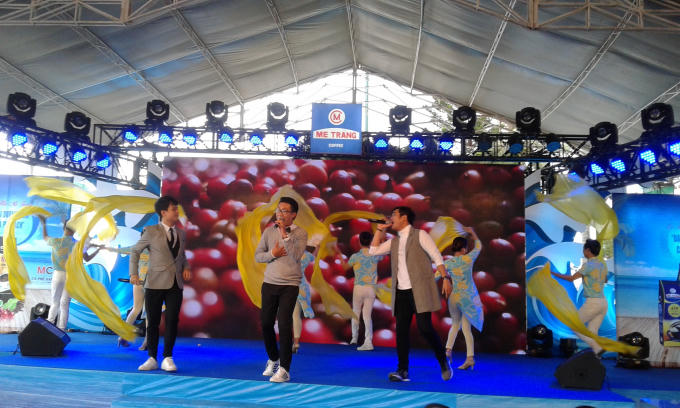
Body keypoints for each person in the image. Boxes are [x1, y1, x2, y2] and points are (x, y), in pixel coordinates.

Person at [369, 206, 453, 382]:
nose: (391, 218)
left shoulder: (420, 235)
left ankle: (443, 361)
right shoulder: (394, 241)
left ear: (404, 218)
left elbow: (436, 255)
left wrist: (445, 277)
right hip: (401, 292)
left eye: (394, 214)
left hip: (419, 289)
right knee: (401, 331)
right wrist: (379, 230)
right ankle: (403, 371)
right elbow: (373, 251)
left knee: (425, 328)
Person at [130, 196, 191, 372]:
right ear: (163, 212)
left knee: (172, 321)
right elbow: (135, 251)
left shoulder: (181, 233)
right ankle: (151, 357)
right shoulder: (150, 231)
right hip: (154, 283)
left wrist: (186, 267)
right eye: (174, 209)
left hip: (175, 284)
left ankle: (168, 357)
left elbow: (182, 256)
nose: (177, 212)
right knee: (153, 322)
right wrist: (133, 273)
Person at [255, 197, 307, 383]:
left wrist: (284, 234)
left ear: (293, 215)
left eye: (285, 211)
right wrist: (272, 254)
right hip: (270, 283)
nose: (280, 214)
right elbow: (258, 256)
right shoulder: (269, 232)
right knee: (266, 323)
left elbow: (295, 255)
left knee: (284, 324)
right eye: (278, 210)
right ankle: (273, 359)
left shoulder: (300, 233)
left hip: (290, 285)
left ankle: (285, 369)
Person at [38, 216, 100, 330]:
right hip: (71, 276)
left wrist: (44, 223)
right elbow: (87, 258)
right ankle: (62, 329)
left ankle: (50, 325)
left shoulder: (56, 241)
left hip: (58, 274)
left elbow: (45, 237)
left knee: (55, 301)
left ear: (64, 228)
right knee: (65, 304)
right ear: (75, 230)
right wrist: (98, 250)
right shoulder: (79, 244)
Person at [551, 239, 608, 357]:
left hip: (593, 303)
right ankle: (597, 357)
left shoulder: (588, 265)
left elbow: (571, 279)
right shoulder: (602, 264)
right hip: (603, 303)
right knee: (592, 332)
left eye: (584, 249)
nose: (583, 251)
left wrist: (553, 273)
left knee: (574, 325)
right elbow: (605, 280)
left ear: (588, 250)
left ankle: (598, 348)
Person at [442, 226, 483, 370]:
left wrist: (444, 278)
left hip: (454, 297)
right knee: (466, 329)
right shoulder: (468, 259)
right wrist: (473, 233)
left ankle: (448, 350)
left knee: (455, 324)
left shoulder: (447, 263)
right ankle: (470, 358)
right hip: (467, 299)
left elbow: (436, 276)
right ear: (464, 249)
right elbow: (479, 246)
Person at [101, 245, 150, 350]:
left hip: (139, 282)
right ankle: (146, 342)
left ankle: (123, 337)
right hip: (149, 283)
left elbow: (121, 250)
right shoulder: (157, 248)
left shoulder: (138, 247)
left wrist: (106, 248)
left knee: (136, 310)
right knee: (148, 313)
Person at [346, 231, 383, 351]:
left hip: (358, 288)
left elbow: (344, 267)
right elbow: (383, 253)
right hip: (371, 288)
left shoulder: (355, 256)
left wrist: (339, 255)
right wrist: (381, 241)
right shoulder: (375, 255)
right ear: (371, 241)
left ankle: (354, 338)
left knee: (355, 312)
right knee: (367, 315)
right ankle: (368, 341)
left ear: (359, 242)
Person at [292, 246, 316, 354]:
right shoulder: (306, 255)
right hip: (302, 285)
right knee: (296, 316)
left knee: (292, 316)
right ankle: (296, 343)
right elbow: (314, 256)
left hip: (290, 286)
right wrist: (318, 247)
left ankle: (290, 343)